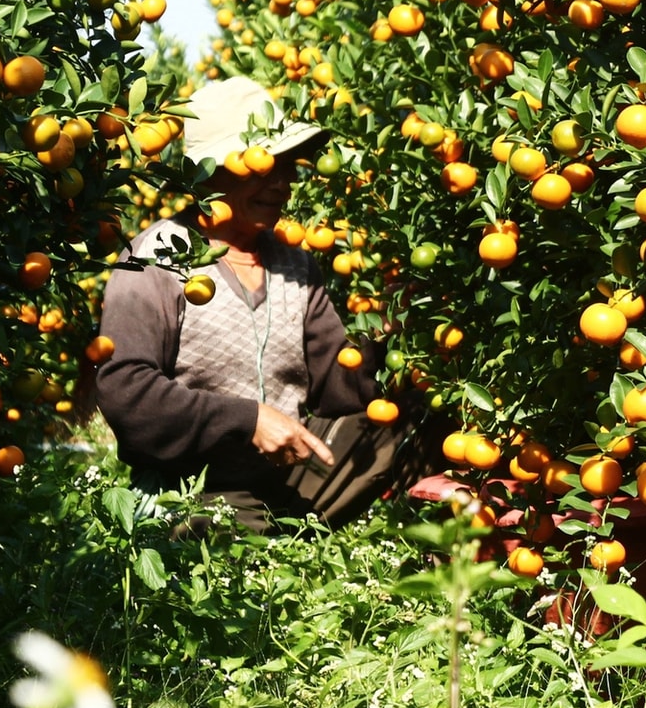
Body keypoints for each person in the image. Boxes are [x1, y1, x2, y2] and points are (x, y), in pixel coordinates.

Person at [95, 76, 423, 533]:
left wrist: (394, 333)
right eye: (266, 165)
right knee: (223, 543)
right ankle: (271, 543)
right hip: (196, 484)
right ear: (209, 170)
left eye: (288, 165)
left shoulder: (294, 263)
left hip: (289, 476)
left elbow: (335, 387)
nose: (284, 181)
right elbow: (126, 391)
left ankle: (427, 545)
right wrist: (246, 421)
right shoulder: (157, 258)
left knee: (412, 415)